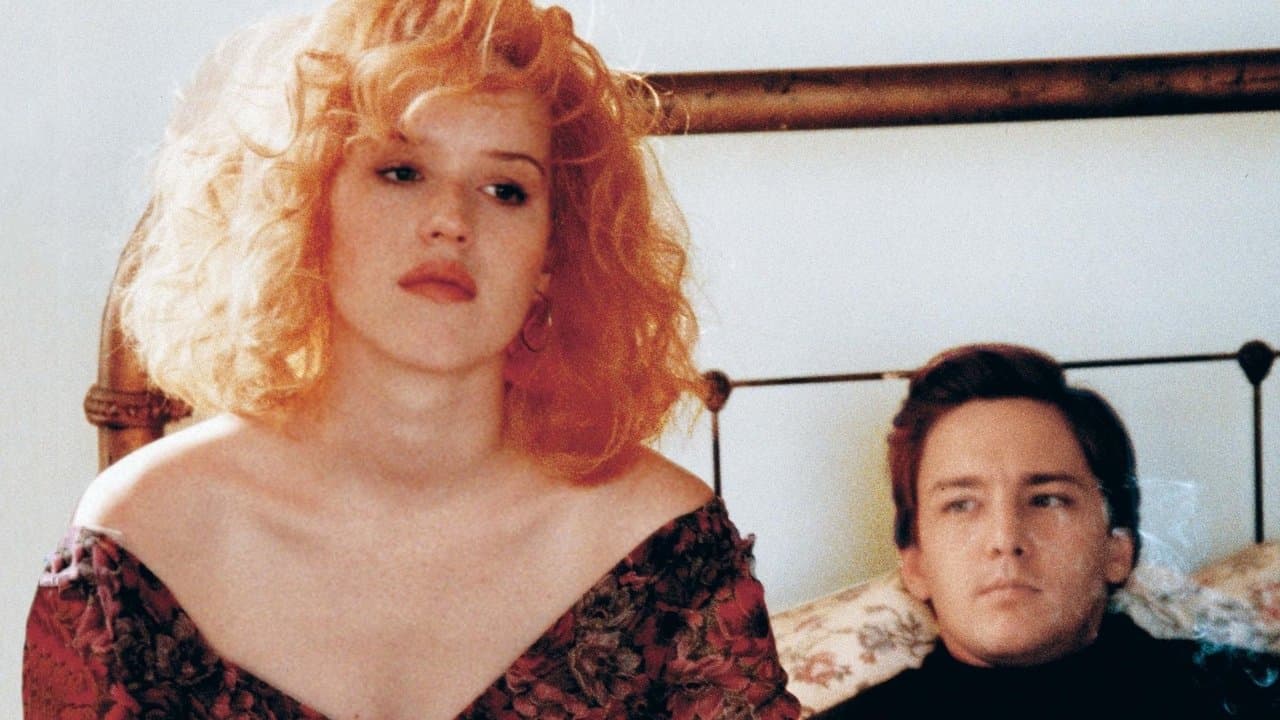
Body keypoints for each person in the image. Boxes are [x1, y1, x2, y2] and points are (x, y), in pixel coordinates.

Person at [22, 2, 799, 718]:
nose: (450, 221)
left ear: (553, 256)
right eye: (401, 172)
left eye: (505, 189)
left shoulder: (665, 556)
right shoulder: (137, 547)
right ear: (308, 205)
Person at [815, 343, 1279, 719]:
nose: (1005, 539)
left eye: (1047, 500)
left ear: (1118, 549)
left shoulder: (1246, 696)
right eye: (961, 505)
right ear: (915, 564)